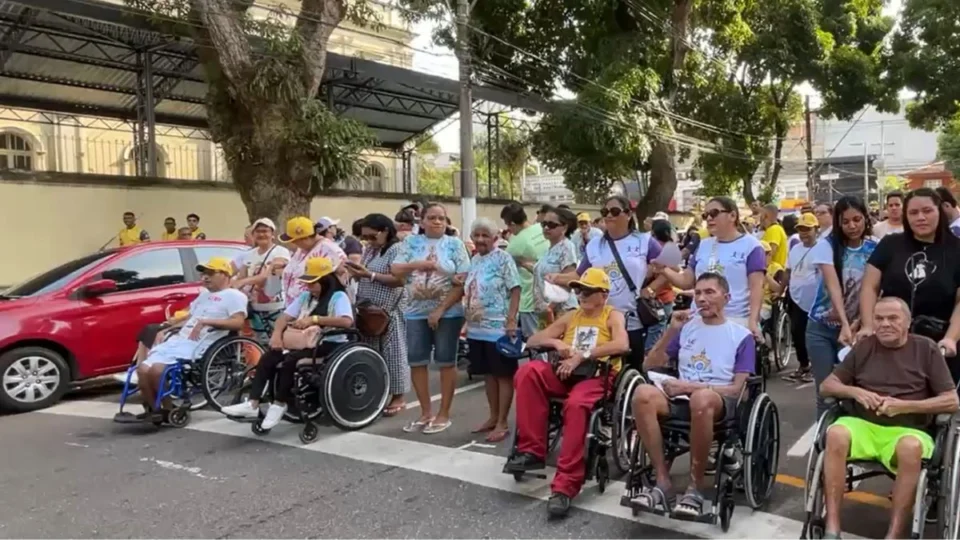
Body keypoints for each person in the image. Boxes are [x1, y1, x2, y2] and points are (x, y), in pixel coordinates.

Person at [818, 297, 959, 539]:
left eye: (893, 318)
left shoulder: (926, 349)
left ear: (907, 322)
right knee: (835, 434)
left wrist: (905, 406)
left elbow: (951, 400)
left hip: (908, 429)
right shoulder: (864, 347)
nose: (885, 324)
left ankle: (893, 535)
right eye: (879, 319)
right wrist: (856, 392)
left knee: (910, 447)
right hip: (863, 424)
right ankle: (832, 527)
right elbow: (827, 385)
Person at [506, 268, 630, 517]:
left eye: (587, 290)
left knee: (575, 405)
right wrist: (557, 343)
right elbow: (533, 340)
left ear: (603, 295)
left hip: (598, 374)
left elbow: (621, 344)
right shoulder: (572, 316)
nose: (581, 294)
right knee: (528, 372)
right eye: (578, 289)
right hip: (566, 372)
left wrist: (582, 355)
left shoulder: (611, 315)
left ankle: (565, 485)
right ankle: (531, 450)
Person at [629, 273, 755, 517]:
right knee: (642, 393)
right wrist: (671, 331)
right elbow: (649, 366)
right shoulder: (686, 329)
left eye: (709, 292)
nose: (702, 298)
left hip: (718, 400)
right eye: (697, 293)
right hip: (680, 397)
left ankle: (695, 487)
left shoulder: (741, 336)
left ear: (726, 298)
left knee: (701, 399)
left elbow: (738, 389)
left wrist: (690, 387)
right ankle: (663, 483)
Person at [221, 257, 354, 429]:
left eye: (313, 283)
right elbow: (284, 317)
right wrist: (276, 335)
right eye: (308, 283)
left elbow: (346, 322)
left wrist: (315, 319)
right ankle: (252, 404)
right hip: (304, 341)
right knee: (270, 356)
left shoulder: (338, 296)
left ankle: (279, 404)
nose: (309, 287)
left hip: (331, 342)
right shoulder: (306, 296)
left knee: (290, 360)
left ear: (326, 281)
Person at [859, 188, 960, 380]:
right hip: (892, 340)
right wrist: (867, 325)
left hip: (940, 344)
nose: (920, 217)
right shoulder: (889, 244)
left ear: (939, 211)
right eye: (913, 213)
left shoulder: (956, 249)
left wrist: (952, 338)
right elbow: (869, 287)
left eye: (927, 211)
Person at [557, 195, 661, 371]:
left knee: (632, 369)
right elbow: (579, 275)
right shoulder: (595, 245)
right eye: (605, 212)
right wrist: (556, 278)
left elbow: (671, 267)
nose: (609, 216)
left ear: (628, 214)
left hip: (631, 319)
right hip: (600, 319)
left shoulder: (644, 241)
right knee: (600, 370)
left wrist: (650, 288)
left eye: (614, 211)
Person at [391, 202, 470, 434]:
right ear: (422, 221)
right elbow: (396, 269)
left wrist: (441, 309)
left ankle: (443, 413)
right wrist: (419, 264)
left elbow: (463, 279)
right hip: (415, 310)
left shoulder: (454, 245)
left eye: (442, 218)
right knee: (417, 360)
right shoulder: (411, 243)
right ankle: (425, 412)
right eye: (432, 217)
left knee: (446, 361)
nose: (437, 222)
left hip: (448, 311)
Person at [137, 257, 246, 420]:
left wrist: (207, 321)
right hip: (180, 340)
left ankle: (167, 409)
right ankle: (155, 409)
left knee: (157, 369)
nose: (205, 277)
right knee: (142, 369)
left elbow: (238, 322)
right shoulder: (204, 296)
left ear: (225, 274)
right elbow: (190, 317)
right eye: (203, 274)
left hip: (201, 344)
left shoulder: (234, 296)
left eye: (210, 273)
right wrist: (167, 327)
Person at [806, 196, 877, 418]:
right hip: (822, 328)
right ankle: (824, 443)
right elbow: (833, 286)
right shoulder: (826, 246)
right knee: (826, 391)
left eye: (857, 219)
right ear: (838, 223)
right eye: (846, 221)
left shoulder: (876, 247)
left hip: (859, 330)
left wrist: (860, 323)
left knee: (859, 389)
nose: (852, 226)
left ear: (865, 218)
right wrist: (844, 324)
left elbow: (875, 288)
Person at [655, 196, 765, 338]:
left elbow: (757, 288)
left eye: (714, 213)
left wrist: (753, 321)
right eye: (705, 215)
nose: (709, 218)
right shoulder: (703, 245)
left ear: (732, 215)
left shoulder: (752, 246)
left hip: (735, 321)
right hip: (700, 319)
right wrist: (663, 269)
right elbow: (686, 281)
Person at [463, 218, 521, 443]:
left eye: (485, 235)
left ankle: (503, 422)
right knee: (488, 374)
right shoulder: (475, 259)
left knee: (503, 375)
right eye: (476, 235)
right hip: (477, 327)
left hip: (498, 327)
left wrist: (511, 320)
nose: (480, 240)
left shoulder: (503, 258)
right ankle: (492, 416)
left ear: (495, 238)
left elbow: (515, 288)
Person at [346, 213, 409, 416]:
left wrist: (369, 275)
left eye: (372, 236)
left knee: (393, 351)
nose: (368, 241)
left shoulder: (397, 250)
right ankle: (378, 391)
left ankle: (398, 396)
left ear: (385, 231)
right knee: (372, 351)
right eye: (365, 237)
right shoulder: (371, 250)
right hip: (368, 308)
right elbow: (364, 271)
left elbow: (399, 280)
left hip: (389, 309)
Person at [231, 218, 290, 341]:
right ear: (253, 235)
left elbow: (264, 275)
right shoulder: (248, 255)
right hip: (255, 306)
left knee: (279, 340)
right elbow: (241, 275)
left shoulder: (280, 252)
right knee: (259, 341)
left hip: (276, 307)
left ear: (272, 234)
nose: (262, 234)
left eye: (265, 231)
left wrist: (241, 282)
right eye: (258, 231)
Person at [501, 202, 550, 337]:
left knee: (535, 341)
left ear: (512, 224)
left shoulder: (515, 245)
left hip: (529, 300)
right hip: (549, 296)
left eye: (508, 226)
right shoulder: (541, 229)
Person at [782, 213, 819, 383]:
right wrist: (781, 289)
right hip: (796, 298)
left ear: (816, 230)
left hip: (817, 301)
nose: (804, 233)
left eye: (807, 229)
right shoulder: (795, 249)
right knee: (797, 332)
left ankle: (816, 367)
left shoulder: (823, 248)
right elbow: (788, 271)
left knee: (814, 335)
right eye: (801, 230)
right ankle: (804, 365)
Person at [279, 216, 348, 309]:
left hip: (315, 307)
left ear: (305, 238)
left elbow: (341, 275)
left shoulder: (330, 249)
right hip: (293, 306)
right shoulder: (302, 249)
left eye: (294, 241)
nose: (293, 243)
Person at [535, 206, 579, 325]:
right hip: (546, 311)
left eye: (552, 225)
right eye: (544, 224)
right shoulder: (549, 249)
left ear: (564, 227)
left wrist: (551, 307)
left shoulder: (566, 247)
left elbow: (568, 280)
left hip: (562, 310)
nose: (546, 228)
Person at [644, 219, 678, 351]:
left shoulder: (668, 248)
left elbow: (672, 271)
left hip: (661, 300)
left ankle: (650, 365)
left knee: (655, 336)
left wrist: (650, 288)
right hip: (651, 301)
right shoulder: (651, 246)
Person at [760, 240, 785, 324]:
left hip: (766, 305)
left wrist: (766, 274)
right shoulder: (749, 268)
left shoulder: (776, 269)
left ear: (769, 255)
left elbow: (779, 290)